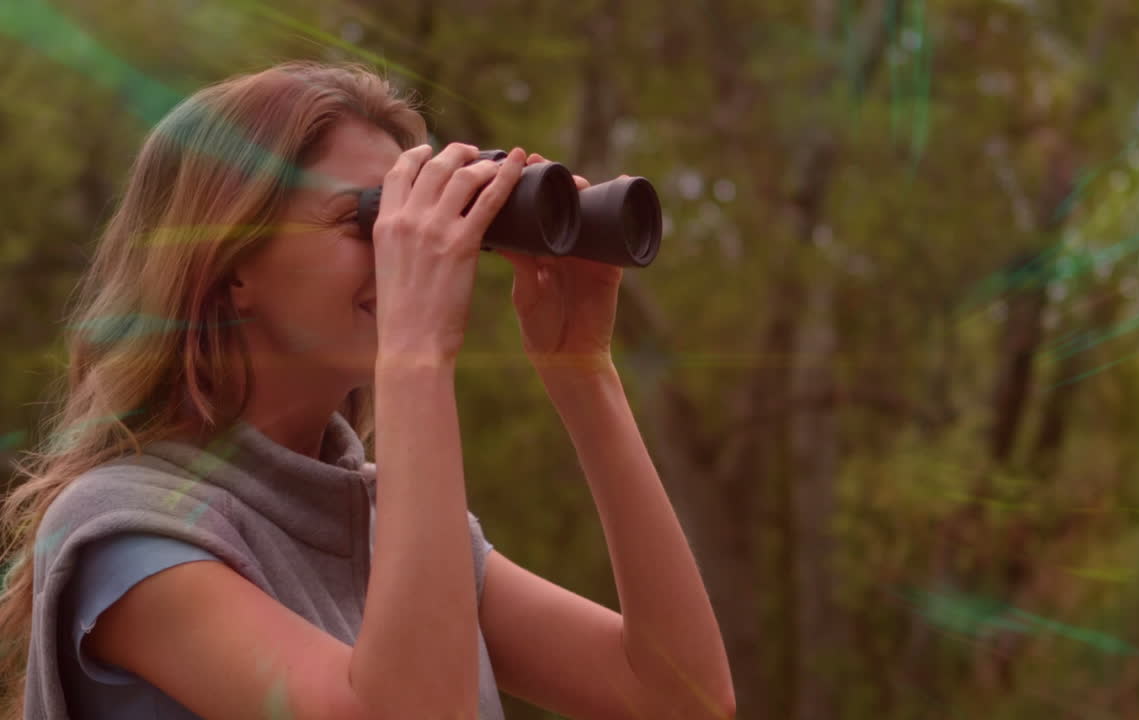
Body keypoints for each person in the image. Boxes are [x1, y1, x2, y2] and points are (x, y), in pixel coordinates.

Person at [0, 60, 734, 720]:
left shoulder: (392, 525)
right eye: (371, 220)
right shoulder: (122, 533)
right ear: (230, 268)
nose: (405, 248)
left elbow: (677, 698)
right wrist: (416, 351)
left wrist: (583, 371)